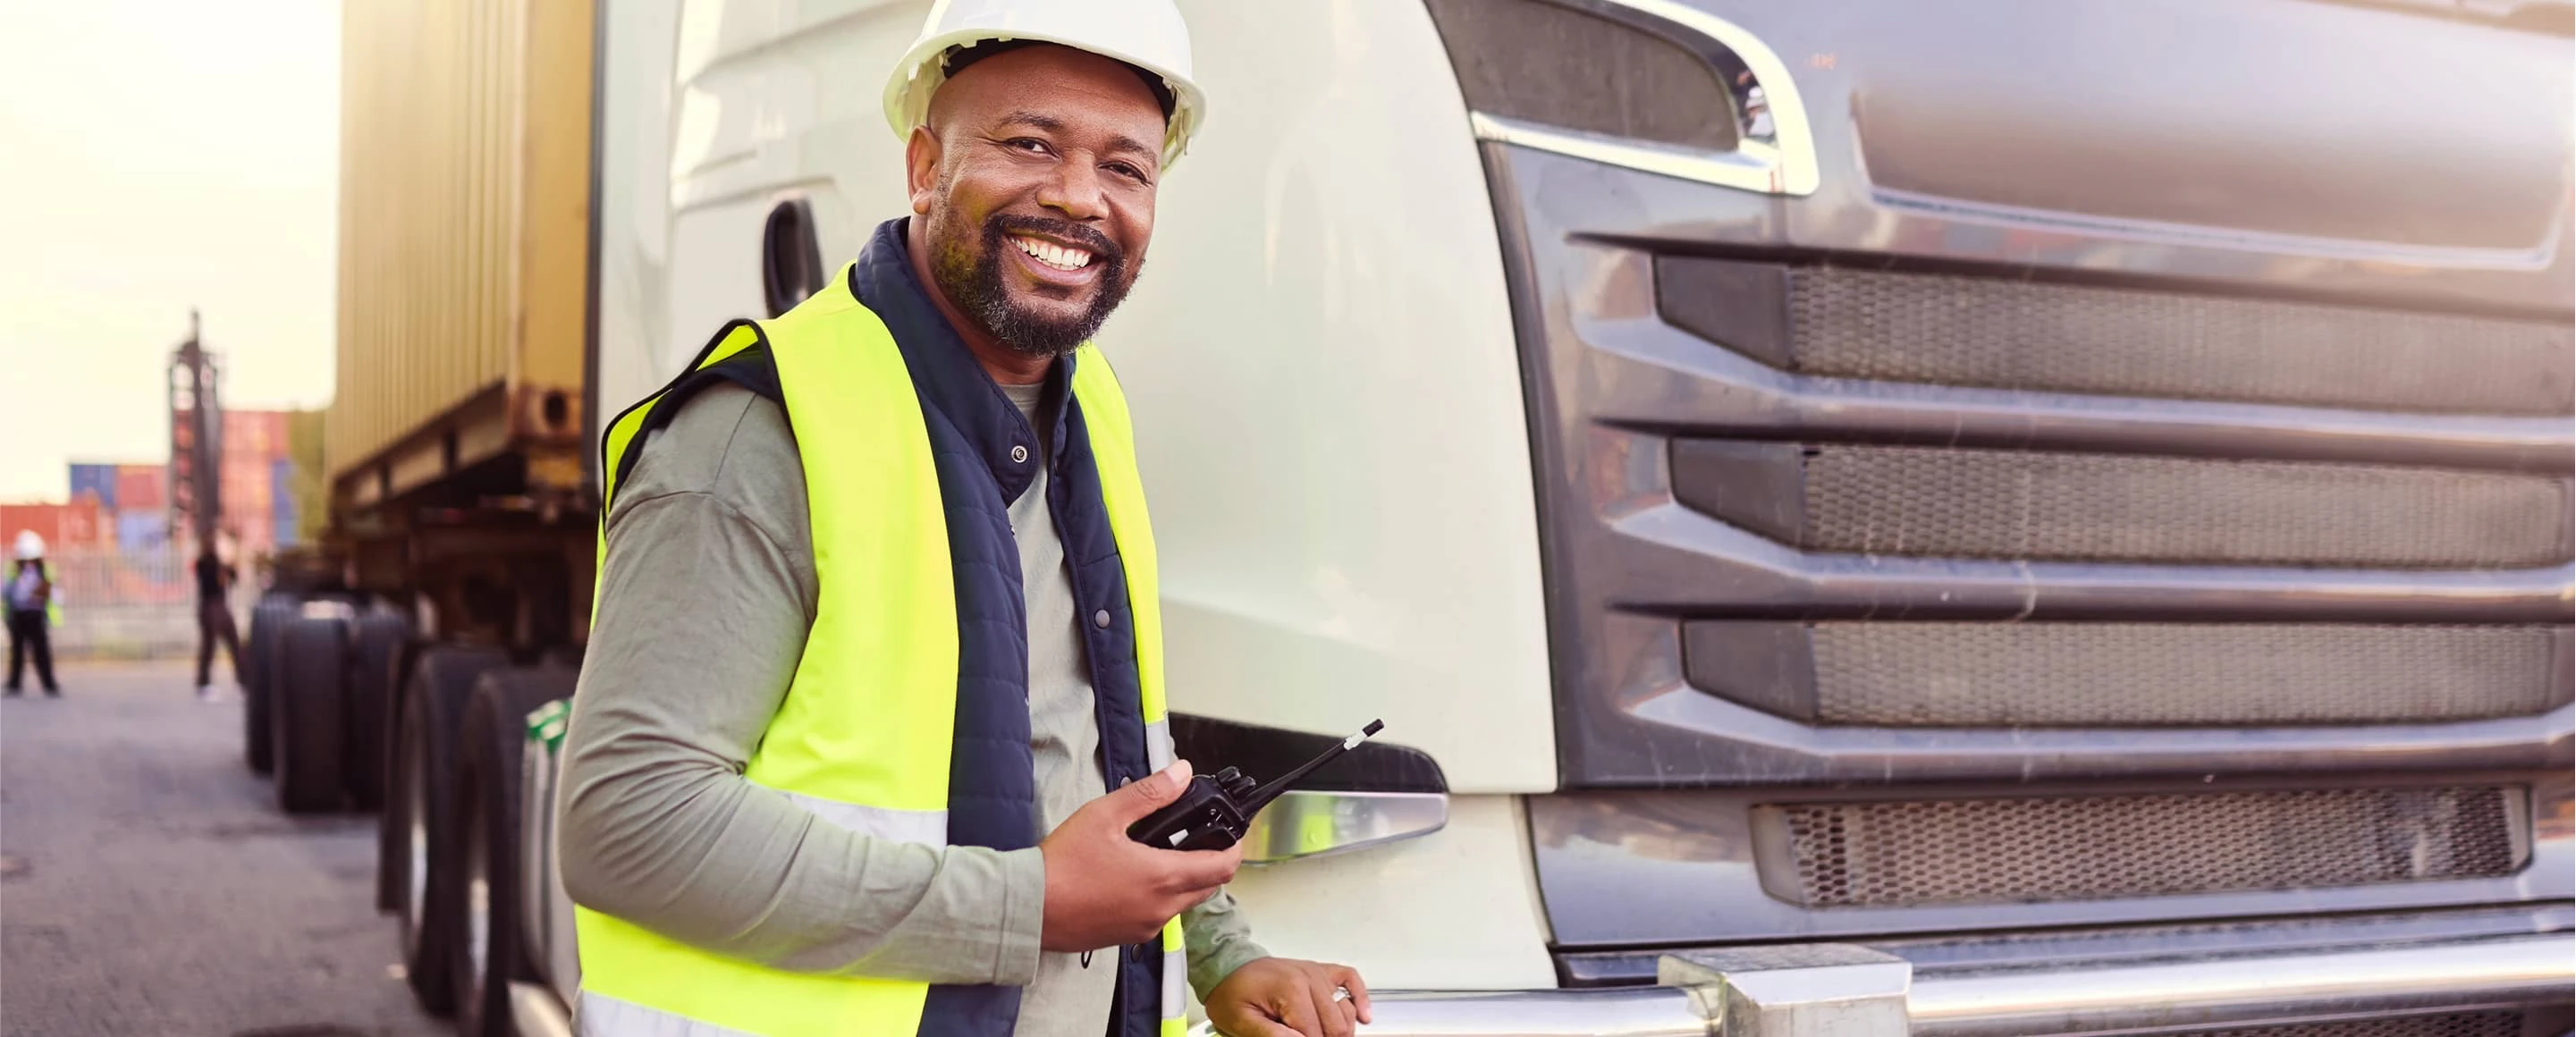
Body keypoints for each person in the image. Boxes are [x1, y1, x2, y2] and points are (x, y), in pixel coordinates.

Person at [554, 3, 1372, 1036]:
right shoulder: (758, 436)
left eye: (1126, 168)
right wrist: (1028, 907)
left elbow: (1090, 748)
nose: (1079, 198)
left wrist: (1219, 953)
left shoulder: (1091, 410)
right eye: (1030, 143)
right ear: (924, 165)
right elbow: (627, 821)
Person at [6, 530, 60, 698]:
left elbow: (53, 592)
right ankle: (14, 684)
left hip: (36, 615)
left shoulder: (46, 569)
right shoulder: (14, 569)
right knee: (17, 653)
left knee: (41, 652)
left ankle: (49, 684)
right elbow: (7, 590)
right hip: (19, 615)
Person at [192, 543, 243, 703]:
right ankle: (204, 682)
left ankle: (244, 679)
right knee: (209, 646)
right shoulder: (204, 563)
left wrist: (230, 564)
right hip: (210, 606)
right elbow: (212, 581)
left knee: (235, 644)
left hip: (221, 605)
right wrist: (223, 567)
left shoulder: (222, 564)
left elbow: (234, 578)